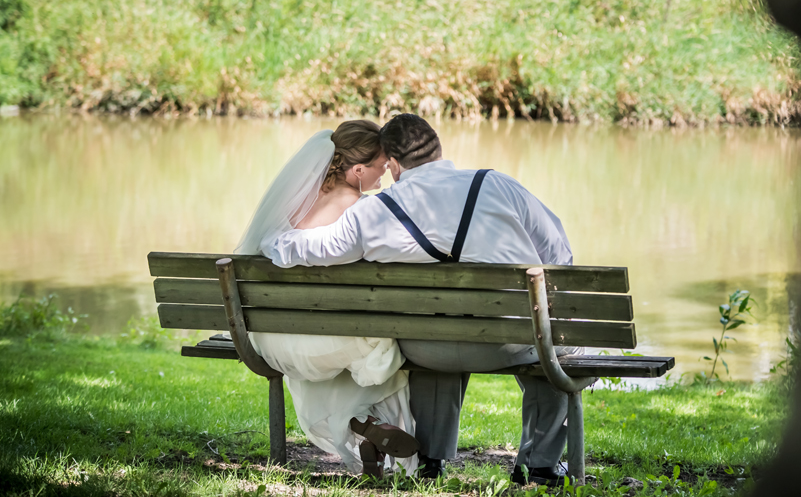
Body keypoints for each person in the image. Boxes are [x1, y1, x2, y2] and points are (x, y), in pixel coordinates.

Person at [263, 113, 579, 487]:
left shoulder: (375, 211)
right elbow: (559, 255)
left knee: (436, 344)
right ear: (438, 149)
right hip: (510, 342)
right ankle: (538, 467)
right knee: (552, 350)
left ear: (393, 165)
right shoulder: (498, 185)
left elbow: (315, 248)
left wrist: (271, 240)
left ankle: (430, 462)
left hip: (428, 345)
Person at [234, 120, 419, 477]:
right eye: (382, 166)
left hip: (274, 338)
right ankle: (369, 425)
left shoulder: (289, 206)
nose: (387, 173)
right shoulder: (364, 214)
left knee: (338, 347)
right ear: (359, 169)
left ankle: (362, 425)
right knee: (381, 347)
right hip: (328, 336)